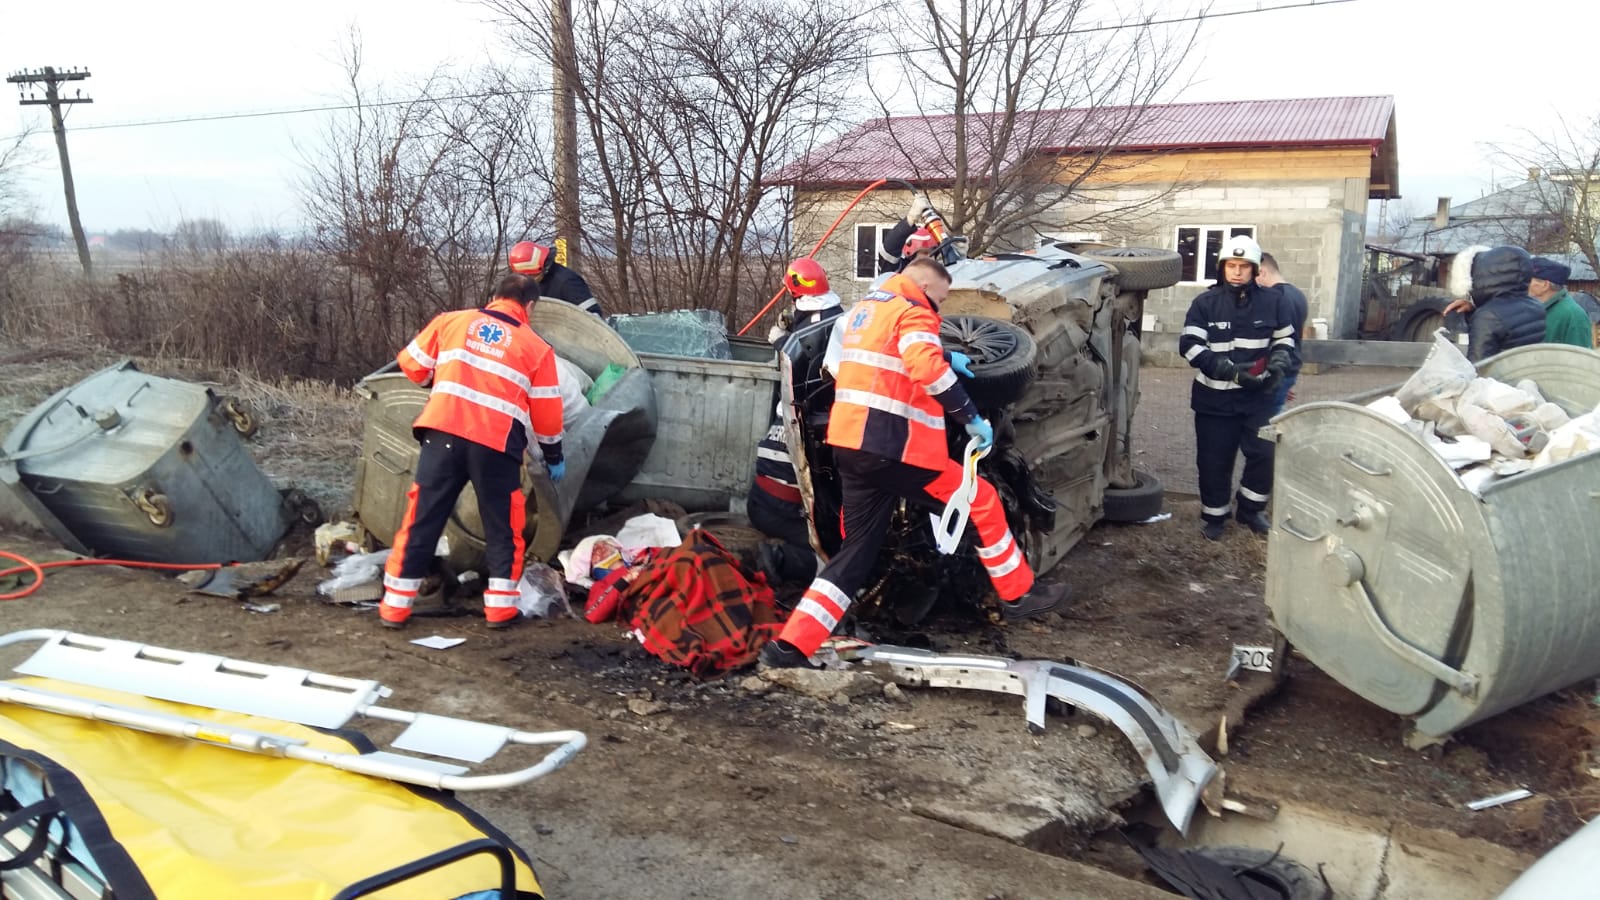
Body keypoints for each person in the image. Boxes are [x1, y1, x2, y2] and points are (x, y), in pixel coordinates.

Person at [758, 257, 1069, 668]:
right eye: (939, 298)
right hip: (896, 448)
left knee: (854, 556)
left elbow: (879, 358)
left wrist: (944, 354)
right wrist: (970, 416)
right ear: (923, 287)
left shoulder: (866, 312)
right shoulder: (913, 309)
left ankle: (789, 647)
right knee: (980, 499)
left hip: (851, 447)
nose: (939, 308)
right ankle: (1017, 594)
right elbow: (924, 366)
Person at [379, 274, 566, 629]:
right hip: (495, 445)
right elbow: (547, 413)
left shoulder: (450, 321)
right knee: (502, 526)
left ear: (494, 296)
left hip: (442, 434)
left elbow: (411, 365)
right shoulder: (536, 348)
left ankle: (394, 606)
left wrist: (437, 381)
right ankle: (499, 610)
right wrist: (554, 455)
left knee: (423, 519)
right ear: (529, 306)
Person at [1179, 234, 1297, 542]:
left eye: (1244, 266)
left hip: (1258, 398)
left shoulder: (1275, 301)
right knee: (1214, 460)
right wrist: (1227, 370)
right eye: (1231, 265)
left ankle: (1250, 510)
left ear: (1255, 269)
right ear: (1222, 267)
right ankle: (1215, 516)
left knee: (1265, 454)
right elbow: (1189, 346)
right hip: (1214, 401)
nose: (1237, 271)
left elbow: (1285, 339)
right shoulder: (1204, 303)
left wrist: (1279, 361)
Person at [749, 258, 845, 585]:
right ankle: (780, 561)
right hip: (780, 506)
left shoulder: (787, 409)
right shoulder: (838, 321)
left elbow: (802, 357)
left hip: (761, 495)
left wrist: (782, 339)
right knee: (838, 562)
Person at [1440, 246, 1546, 362]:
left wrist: (1481, 314)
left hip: (1501, 373)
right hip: (1526, 370)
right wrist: (1474, 310)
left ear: (1482, 275)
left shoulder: (1488, 316)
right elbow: (1508, 333)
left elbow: (1479, 365)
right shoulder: (1536, 306)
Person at [1255, 251, 1307, 413]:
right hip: (1289, 366)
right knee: (1276, 413)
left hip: (1275, 368)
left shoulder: (1274, 298)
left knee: (1265, 419)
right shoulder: (1297, 294)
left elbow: (1268, 338)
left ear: (1262, 272)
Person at [508, 240, 603, 316]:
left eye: (532, 276)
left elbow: (593, 317)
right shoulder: (527, 283)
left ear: (543, 268)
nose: (529, 280)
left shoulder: (568, 282)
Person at [1527, 257, 1593, 349]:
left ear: (1545, 285)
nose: (1524, 283)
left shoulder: (1574, 315)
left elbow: (1579, 356)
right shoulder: (1538, 309)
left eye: (1528, 280)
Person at [877, 193, 941, 275]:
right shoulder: (899, 273)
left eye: (932, 253)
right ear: (911, 256)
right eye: (924, 253)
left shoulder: (940, 276)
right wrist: (910, 219)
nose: (928, 257)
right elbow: (888, 251)